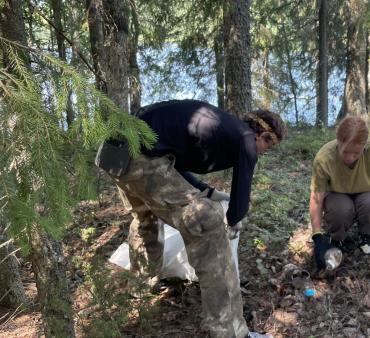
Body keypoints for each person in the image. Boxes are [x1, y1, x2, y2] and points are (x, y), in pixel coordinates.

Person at [98, 100, 285, 338]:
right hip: (140, 158)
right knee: (207, 224)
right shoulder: (246, 137)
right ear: (263, 135)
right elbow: (241, 197)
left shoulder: (221, 126)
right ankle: (232, 332)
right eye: (268, 146)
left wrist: (206, 191)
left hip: (116, 153)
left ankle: (141, 283)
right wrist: (234, 218)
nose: (263, 151)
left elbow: (169, 160)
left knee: (145, 216)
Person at [309, 116, 370, 270]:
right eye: (345, 152)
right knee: (340, 209)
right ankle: (338, 239)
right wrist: (317, 235)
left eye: (356, 153)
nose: (350, 158)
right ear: (338, 142)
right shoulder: (325, 158)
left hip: (368, 191)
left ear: (365, 145)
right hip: (337, 194)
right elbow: (316, 199)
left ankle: (366, 235)